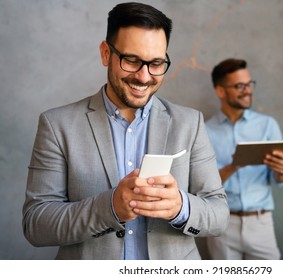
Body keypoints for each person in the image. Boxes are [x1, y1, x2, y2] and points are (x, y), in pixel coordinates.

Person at [22, 2, 229, 260]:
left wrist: (180, 206)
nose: (144, 77)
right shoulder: (57, 125)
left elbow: (219, 215)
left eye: (156, 63)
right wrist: (109, 208)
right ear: (106, 53)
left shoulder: (190, 123)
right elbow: (36, 224)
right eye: (131, 60)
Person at [205, 58, 283, 260]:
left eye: (249, 84)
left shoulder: (268, 125)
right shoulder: (204, 131)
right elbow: (203, 186)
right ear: (220, 91)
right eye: (239, 86)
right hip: (222, 224)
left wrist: (282, 170)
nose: (248, 90)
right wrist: (233, 166)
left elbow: (281, 179)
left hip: (261, 223)